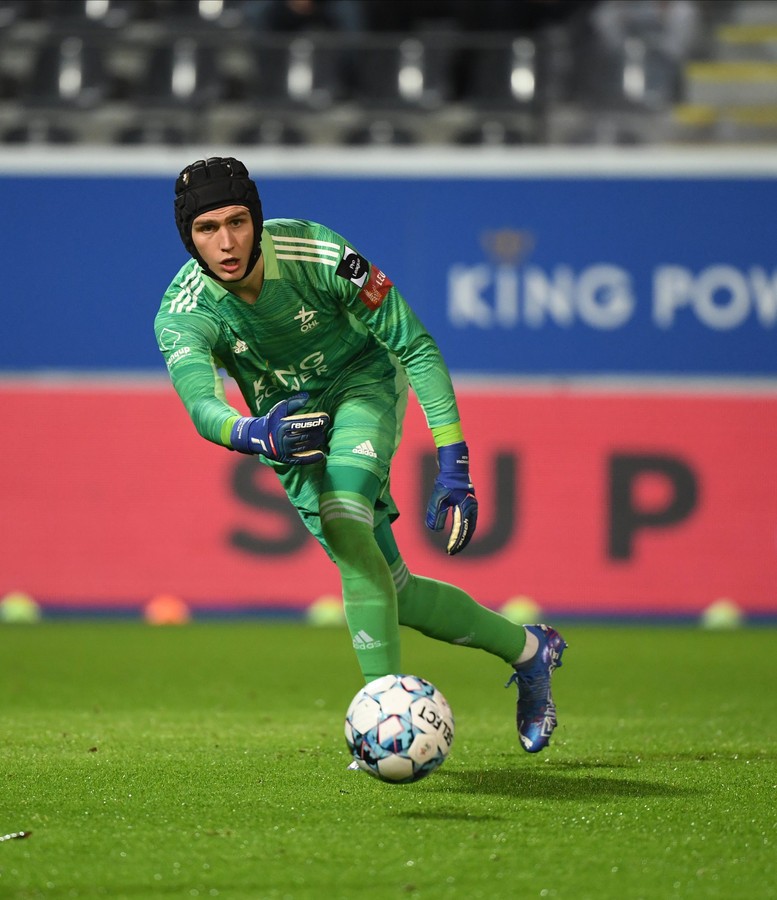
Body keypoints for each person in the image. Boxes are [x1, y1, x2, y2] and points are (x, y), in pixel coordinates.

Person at [154, 156, 567, 753]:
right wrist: (257, 434)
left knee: (347, 520)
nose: (226, 242)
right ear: (188, 236)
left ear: (257, 218)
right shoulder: (184, 310)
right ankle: (531, 652)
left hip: (361, 383)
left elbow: (416, 347)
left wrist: (454, 459)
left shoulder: (318, 254)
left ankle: (387, 726)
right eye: (207, 229)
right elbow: (202, 405)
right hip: (285, 427)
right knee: (393, 589)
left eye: (238, 222)